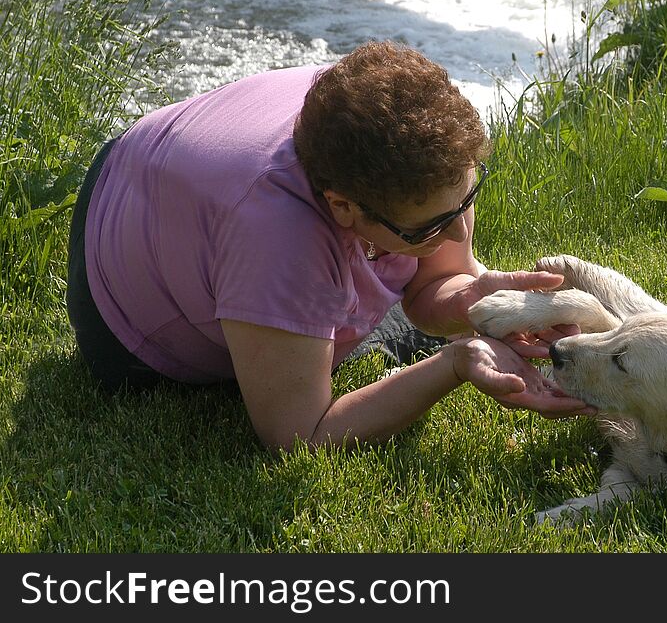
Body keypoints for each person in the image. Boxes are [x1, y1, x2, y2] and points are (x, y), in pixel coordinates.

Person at [66, 40, 594, 450]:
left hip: (177, 169)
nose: (457, 235)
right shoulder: (275, 236)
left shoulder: (389, 130)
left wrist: (472, 298)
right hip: (121, 284)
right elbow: (299, 435)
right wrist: (455, 362)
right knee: (334, 329)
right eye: (427, 229)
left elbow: (434, 279)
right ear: (343, 207)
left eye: (466, 200)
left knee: (358, 321)